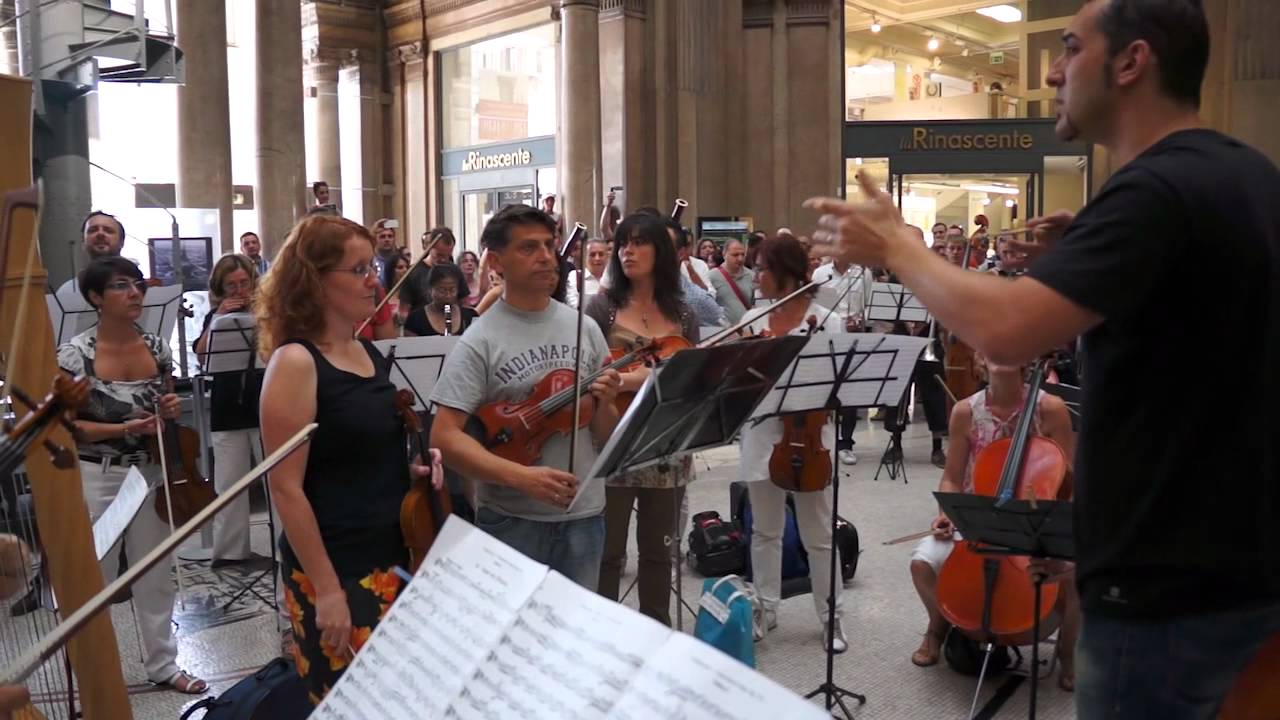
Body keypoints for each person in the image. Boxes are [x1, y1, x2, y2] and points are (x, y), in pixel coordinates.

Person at [807, 1, 1280, 715]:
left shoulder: (1154, 192)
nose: (1054, 73)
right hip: (1241, 567)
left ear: (1132, 61)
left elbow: (1005, 334)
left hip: (1164, 591)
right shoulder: (1247, 173)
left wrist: (897, 246)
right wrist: (1088, 255)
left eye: (1070, 48)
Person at [255, 215, 437, 704]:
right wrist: (327, 590)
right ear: (314, 280)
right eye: (358, 270)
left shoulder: (367, 353)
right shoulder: (296, 362)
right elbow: (286, 487)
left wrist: (414, 469)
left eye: (371, 267)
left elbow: (361, 454)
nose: (373, 280)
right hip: (335, 568)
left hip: (389, 555)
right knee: (348, 703)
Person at [429, 205, 622, 589]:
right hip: (511, 520)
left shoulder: (585, 328)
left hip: (584, 516)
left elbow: (603, 433)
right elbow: (444, 437)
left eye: (549, 245)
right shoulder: (480, 339)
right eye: (529, 247)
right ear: (496, 262)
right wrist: (522, 478)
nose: (546, 256)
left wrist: (606, 402)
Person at [56, 257, 207, 694]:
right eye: (121, 286)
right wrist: (124, 429)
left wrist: (171, 409)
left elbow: (166, 403)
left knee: (155, 573)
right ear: (96, 298)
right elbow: (67, 428)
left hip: (150, 471)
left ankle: (164, 665)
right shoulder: (74, 355)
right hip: (98, 474)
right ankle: (94, 674)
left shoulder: (157, 347)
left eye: (137, 284)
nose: (135, 293)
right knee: (96, 576)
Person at [907, 355, 1078, 688]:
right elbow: (952, 477)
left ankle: (1067, 652)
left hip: (1032, 523)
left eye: (1010, 348)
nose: (1000, 354)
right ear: (980, 360)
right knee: (921, 563)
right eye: (991, 349)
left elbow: (1068, 481)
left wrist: (1049, 472)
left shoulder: (1050, 408)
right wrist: (947, 513)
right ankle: (938, 627)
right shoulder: (965, 411)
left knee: (1077, 573)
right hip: (978, 522)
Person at [586, 213, 699, 626]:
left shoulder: (683, 313)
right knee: (607, 552)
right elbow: (592, 376)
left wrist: (632, 378)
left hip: (665, 442)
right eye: (622, 243)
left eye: (638, 243)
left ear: (661, 252)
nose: (626, 251)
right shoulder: (602, 308)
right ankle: (602, 635)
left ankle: (656, 633)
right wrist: (640, 378)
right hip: (613, 439)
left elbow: (690, 376)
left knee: (658, 552)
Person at [738, 236, 846, 652]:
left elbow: (838, 388)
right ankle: (766, 608)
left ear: (784, 273)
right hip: (761, 433)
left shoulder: (827, 321)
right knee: (764, 530)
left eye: (762, 268)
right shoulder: (752, 320)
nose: (756, 276)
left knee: (819, 534)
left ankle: (831, 616)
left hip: (810, 436)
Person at [194, 254, 268, 568]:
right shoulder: (215, 317)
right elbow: (201, 355)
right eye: (231, 286)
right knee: (228, 483)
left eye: (244, 283)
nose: (239, 291)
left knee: (276, 480)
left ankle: (285, 546)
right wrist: (218, 317)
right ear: (220, 289)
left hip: (265, 403)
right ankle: (230, 552)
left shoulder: (267, 312)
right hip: (227, 405)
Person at [811, 250, 870, 467]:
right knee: (823, 392)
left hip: (853, 338)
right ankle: (819, 441)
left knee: (849, 393)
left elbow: (868, 306)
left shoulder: (863, 273)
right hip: (826, 338)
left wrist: (860, 321)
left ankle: (846, 443)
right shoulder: (820, 273)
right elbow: (815, 308)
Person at [56, 211, 128, 294]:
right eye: (93, 230)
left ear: (122, 242)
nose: (100, 233)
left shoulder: (137, 287)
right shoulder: (66, 291)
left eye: (108, 231)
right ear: (83, 242)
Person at [404, 263, 477, 337]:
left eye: (452, 290)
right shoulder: (415, 319)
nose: (448, 295)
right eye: (442, 291)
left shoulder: (470, 316)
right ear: (430, 290)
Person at [708, 239, 754, 324]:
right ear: (724, 254)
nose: (740, 259)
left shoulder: (752, 276)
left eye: (743, 254)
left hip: (748, 328)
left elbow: (755, 304)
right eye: (735, 255)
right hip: (724, 330)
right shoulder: (711, 276)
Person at [565, 238, 609, 309]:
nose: (597, 258)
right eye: (592, 255)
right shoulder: (575, 277)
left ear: (607, 256)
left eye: (601, 254)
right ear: (585, 257)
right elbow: (572, 305)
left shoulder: (613, 279)